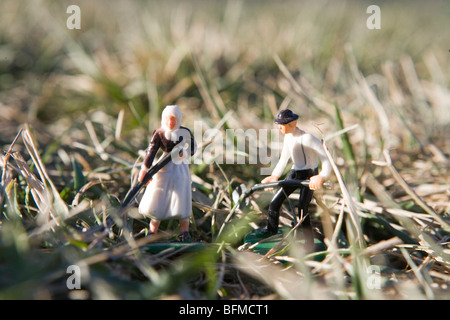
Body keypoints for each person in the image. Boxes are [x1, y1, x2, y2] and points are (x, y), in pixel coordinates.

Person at [260, 109, 331, 248]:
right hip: (295, 173)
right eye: (278, 125)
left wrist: (321, 176)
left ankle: (308, 241)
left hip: (309, 175)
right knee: (275, 202)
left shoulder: (308, 138)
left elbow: (326, 158)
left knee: (302, 209)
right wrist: (275, 175)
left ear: (292, 123)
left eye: (282, 124)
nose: (280, 128)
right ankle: (271, 229)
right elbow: (284, 159)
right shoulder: (288, 138)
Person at [138, 105, 196, 241]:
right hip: (163, 167)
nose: (171, 123)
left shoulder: (185, 132)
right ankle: (153, 231)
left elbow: (193, 147)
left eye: (174, 120)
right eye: (168, 120)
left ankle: (184, 231)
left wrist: (185, 152)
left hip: (180, 167)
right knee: (158, 195)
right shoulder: (159, 133)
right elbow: (151, 152)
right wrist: (144, 170)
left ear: (179, 120)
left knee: (182, 196)